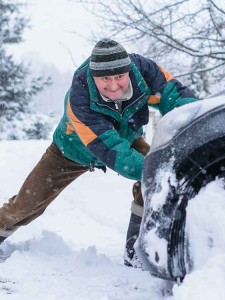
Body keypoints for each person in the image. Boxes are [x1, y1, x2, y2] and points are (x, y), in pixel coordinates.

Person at [0, 38, 198, 266]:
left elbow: (180, 100)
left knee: (155, 177)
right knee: (26, 205)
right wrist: (156, 171)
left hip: (128, 138)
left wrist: (202, 125)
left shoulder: (144, 72)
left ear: (129, 71)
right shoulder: (80, 97)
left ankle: (136, 251)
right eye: (105, 79)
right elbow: (113, 150)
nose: (113, 86)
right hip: (71, 152)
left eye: (119, 77)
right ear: (94, 77)